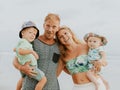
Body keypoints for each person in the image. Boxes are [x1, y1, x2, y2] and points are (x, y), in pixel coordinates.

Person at [13, 13, 61, 90]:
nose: (50, 29)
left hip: (53, 87)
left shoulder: (60, 46)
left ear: (58, 28)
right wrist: (22, 68)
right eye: (48, 25)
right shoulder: (32, 41)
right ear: (43, 25)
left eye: (54, 26)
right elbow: (15, 60)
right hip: (30, 87)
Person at [56, 26, 108, 90]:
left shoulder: (86, 46)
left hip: (94, 85)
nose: (64, 37)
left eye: (65, 33)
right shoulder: (63, 57)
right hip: (78, 87)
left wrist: (101, 61)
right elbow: (55, 75)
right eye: (60, 37)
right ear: (59, 41)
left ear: (71, 33)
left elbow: (103, 57)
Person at [14, 21, 47, 90]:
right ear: (22, 33)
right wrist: (32, 52)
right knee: (43, 80)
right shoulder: (24, 42)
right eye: (30, 32)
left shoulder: (21, 42)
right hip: (30, 67)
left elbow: (16, 49)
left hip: (24, 65)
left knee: (22, 78)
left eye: (34, 34)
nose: (33, 35)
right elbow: (20, 51)